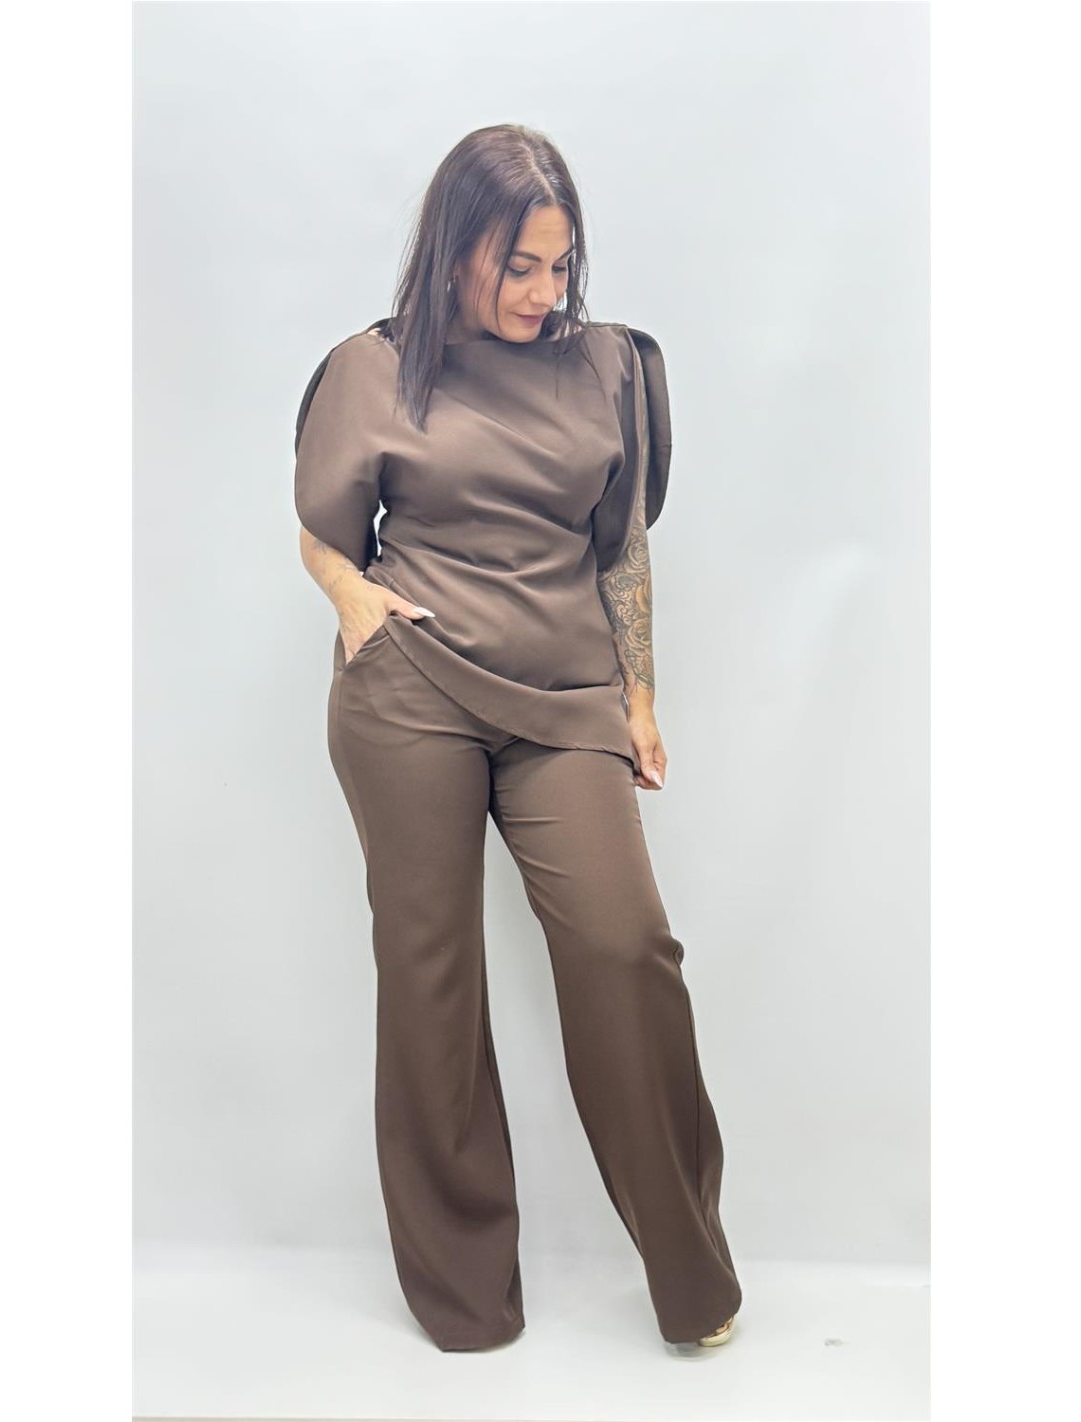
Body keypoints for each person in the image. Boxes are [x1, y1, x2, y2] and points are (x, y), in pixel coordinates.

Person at [293, 123, 743, 1353]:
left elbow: (619, 544)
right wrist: (352, 602)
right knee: (430, 980)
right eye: (518, 267)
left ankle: (691, 1277)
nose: (545, 294)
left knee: (623, 947)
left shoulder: (607, 365)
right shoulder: (370, 370)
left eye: (561, 265)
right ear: (454, 253)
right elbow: (323, 529)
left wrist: (636, 698)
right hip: (411, 695)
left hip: (563, 697)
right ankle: (465, 1301)